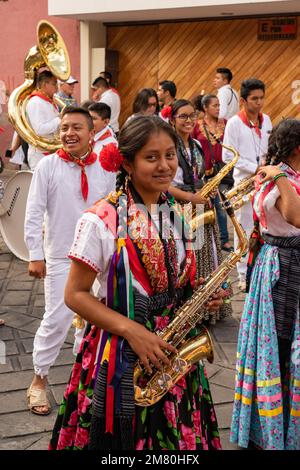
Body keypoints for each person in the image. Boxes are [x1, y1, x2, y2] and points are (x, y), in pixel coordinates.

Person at [49, 115, 222, 450]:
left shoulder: (175, 211)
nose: (164, 166)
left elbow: (181, 277)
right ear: (126, 162)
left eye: (170, 155)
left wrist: (200, 297)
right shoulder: (100, 220)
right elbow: (74, 295)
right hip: (122, 355)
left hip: (174, 354)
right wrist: (133, 331)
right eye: (151, 157)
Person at [24, 106, 116, 416]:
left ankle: (85, 379)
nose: (69, 133)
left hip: (100, 256)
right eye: (64, 127)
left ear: (93, 133)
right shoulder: (48, 166)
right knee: (57, 317)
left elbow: (115, 207)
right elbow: (34, 211)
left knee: (94, 320)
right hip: (62, 255)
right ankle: (39, 378)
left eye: (77, 127)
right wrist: (35, 254)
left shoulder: (105, 166)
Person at [231, 119, 300, 450]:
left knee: (284, 345)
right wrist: (280, 176)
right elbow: (295, 217)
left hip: (280, 263)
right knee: (284, 345)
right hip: (285, 266)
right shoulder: (280, 178)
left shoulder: (280, 175)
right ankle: (278, 426)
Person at [169, 99, 232, 323]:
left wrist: (209, 190)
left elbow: (200, 176)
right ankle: (188, 312)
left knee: (206, 254)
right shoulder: (168, 145)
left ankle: (207, 309)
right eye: (183, 116)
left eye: (192, 116)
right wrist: (191, 197)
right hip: (179, 207)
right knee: (186, 258)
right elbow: (165, 185)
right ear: (172, 119)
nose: (188, 120)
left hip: (200, 204)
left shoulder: (195, 144)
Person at [222, 78, 272, 291]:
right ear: (243, 100)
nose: (259, 102)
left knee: (264, 227)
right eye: (254, 99)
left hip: (263, 180)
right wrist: (255, 168)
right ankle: (242, 275)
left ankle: (261, 271)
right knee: (242, 229)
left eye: (261, 98)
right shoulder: (233, 123)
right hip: (244, 182)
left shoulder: (267, 120)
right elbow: (227, 155)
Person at [194, 94, 233, 252]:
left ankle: (224, 240)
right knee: (206, 207)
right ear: (205, 108)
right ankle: (208, 243)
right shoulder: (197, 126)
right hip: (204, 174)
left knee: (222, 206)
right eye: (214, 105)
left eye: (219, 105)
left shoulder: (226, 123)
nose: (218, 108)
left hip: (222, 171)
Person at [26, 70, 61, 171]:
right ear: (45, 84)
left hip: (50, 152)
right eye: (54, 84)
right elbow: (40, 129)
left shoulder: (48, 102)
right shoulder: (36, 102)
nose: (57, 88)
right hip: (39, 155)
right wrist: (59, 119)